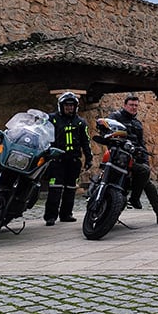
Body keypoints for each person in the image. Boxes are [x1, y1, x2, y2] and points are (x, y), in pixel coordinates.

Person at [108, 95, 158, 224]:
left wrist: (145, 160)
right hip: (118, 157)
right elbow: (107, 132)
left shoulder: (137, 124)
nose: (134, 107)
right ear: (125, 105)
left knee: (148, 182)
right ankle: (110, 215)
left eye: (136, 105)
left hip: (133, 159)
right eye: (131, 105)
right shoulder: (115, 117)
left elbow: (142, 144)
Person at [44, 92, 94, 226]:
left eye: (72, 105)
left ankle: (66, 214)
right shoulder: (51, 119)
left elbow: (86, 142)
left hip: (73, 161)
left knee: (71, 188)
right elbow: (43, 136)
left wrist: (89, 158)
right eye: (67, 105)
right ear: (61, 106)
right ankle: (50, 216)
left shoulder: (80, 122)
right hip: (56, 160)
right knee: (55, 188)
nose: (69, 108)